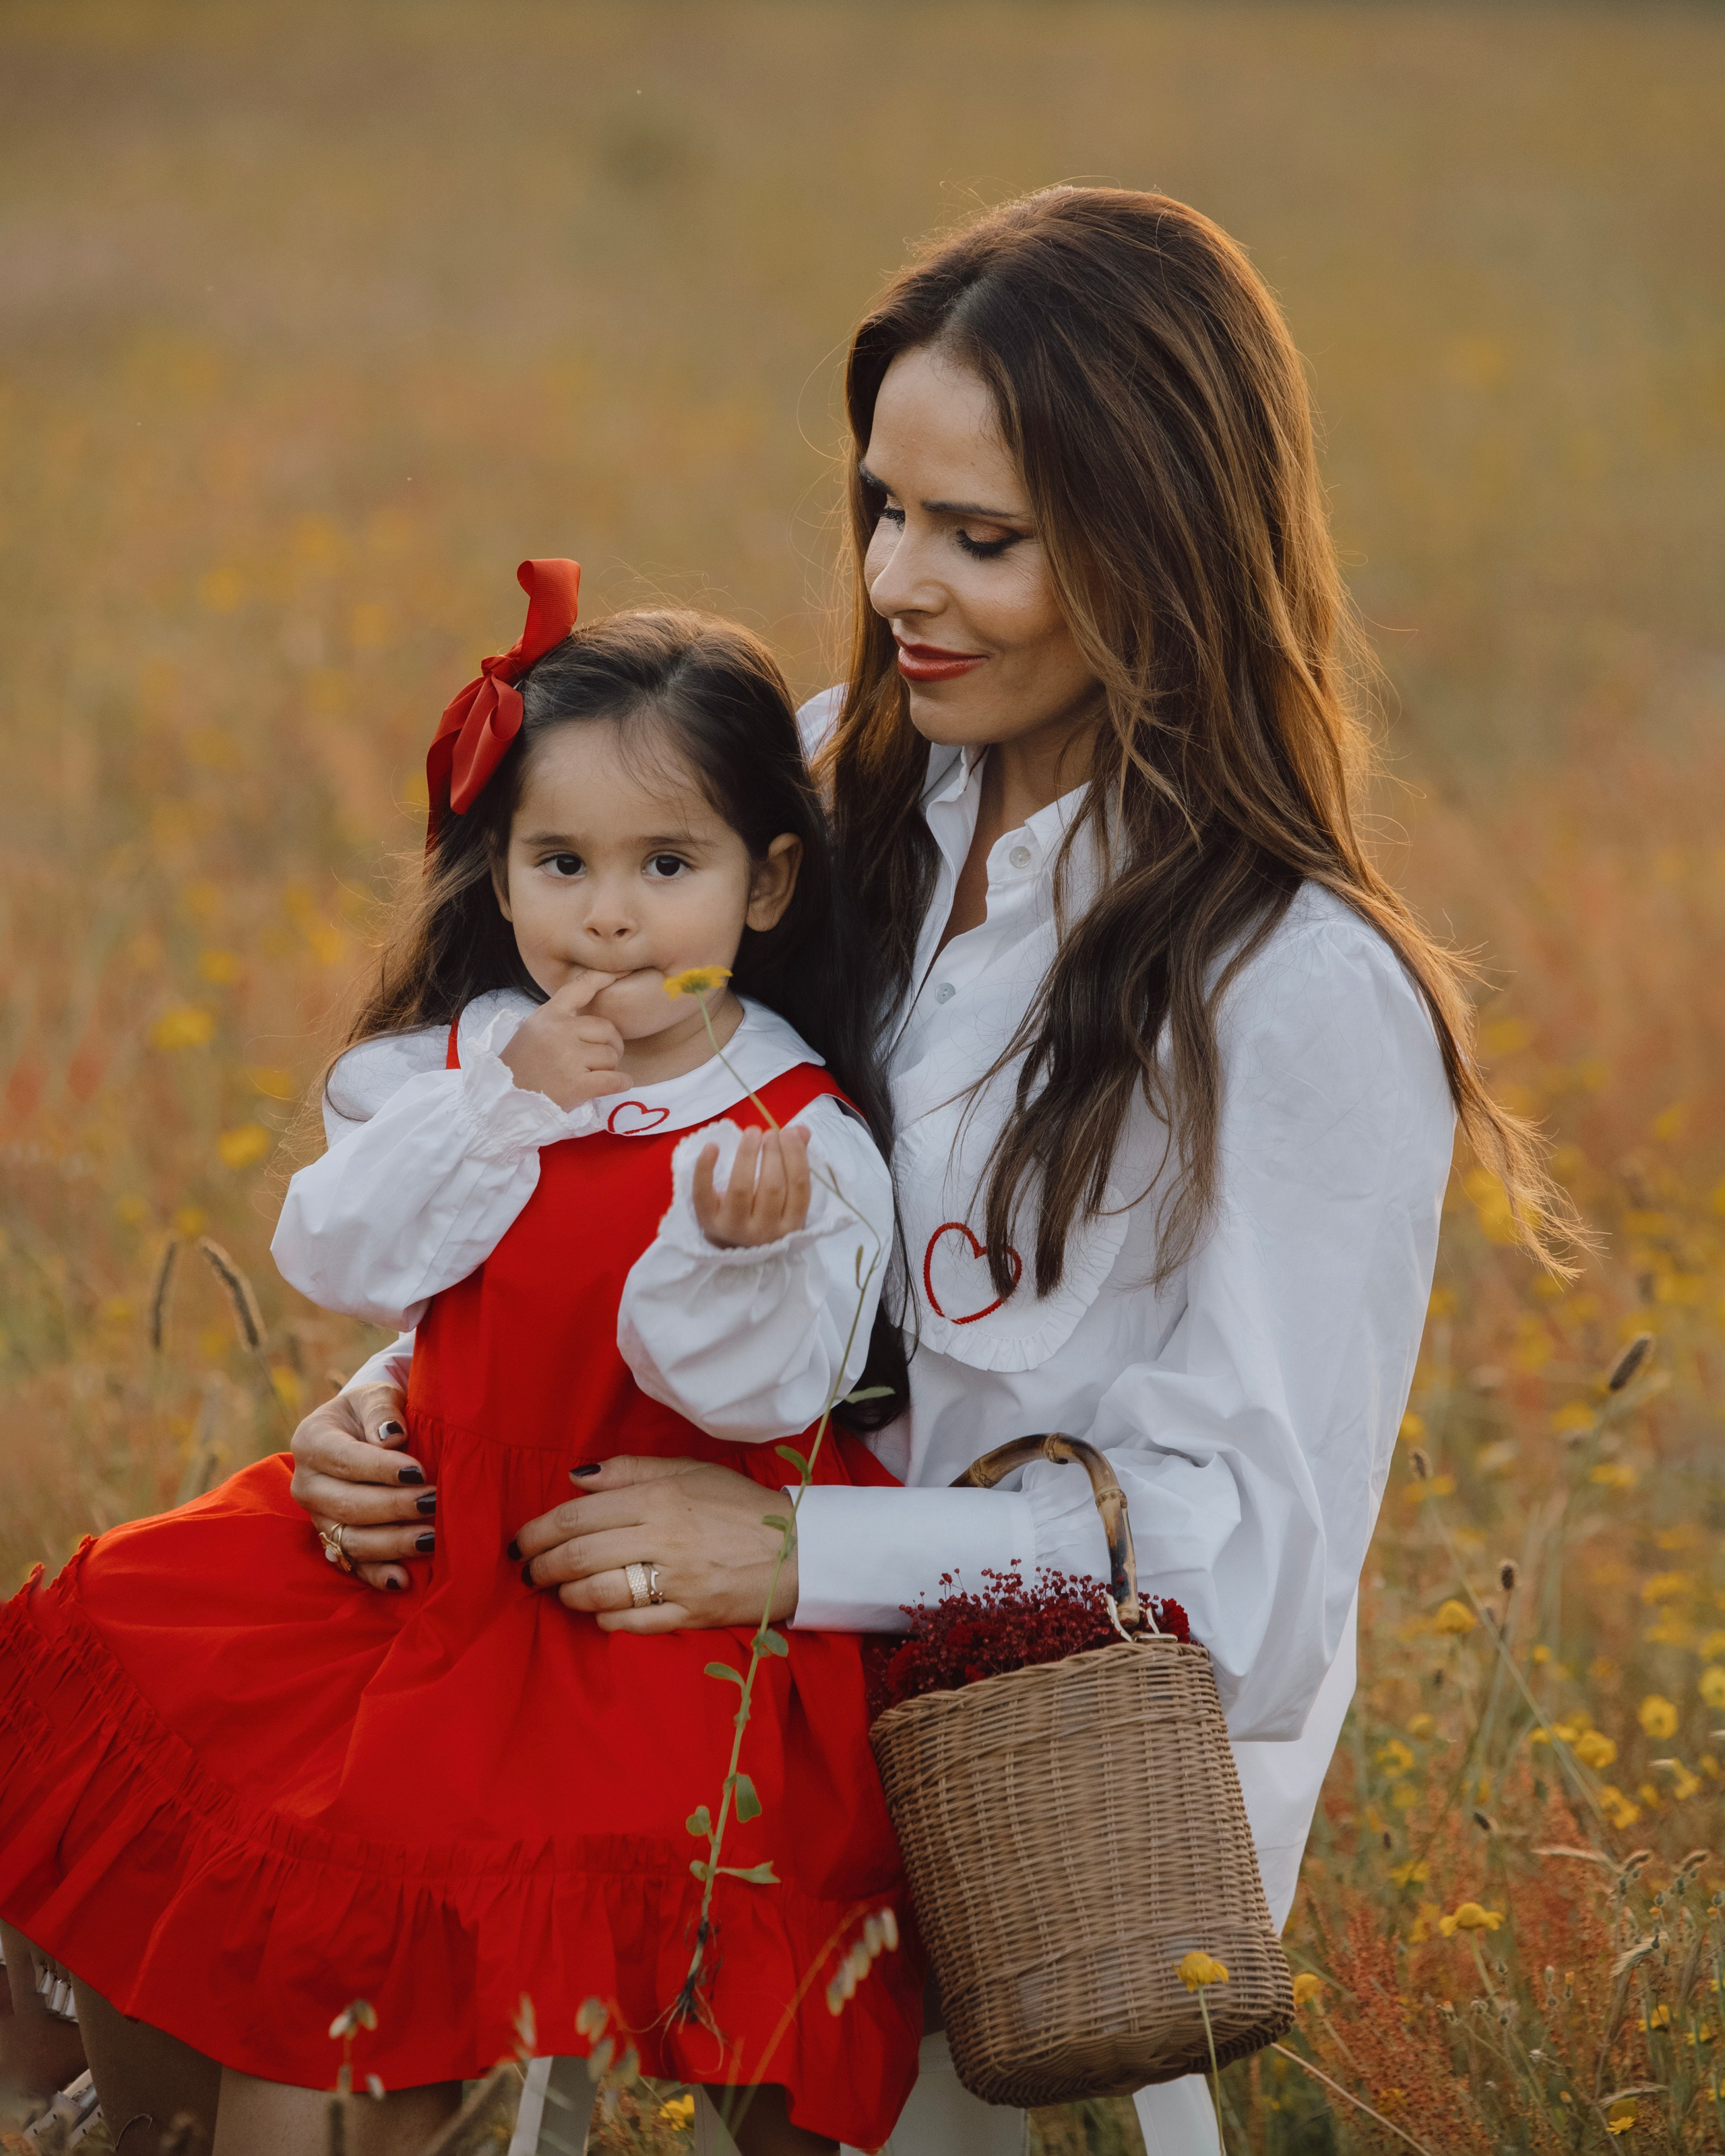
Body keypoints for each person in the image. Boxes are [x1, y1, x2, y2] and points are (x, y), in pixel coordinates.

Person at [295, 187, 1565, 2156]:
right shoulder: (822, 796)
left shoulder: (1297, 990)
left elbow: (1242, 1570)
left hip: (1019, 1761)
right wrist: (393, 1400)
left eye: (984, 540)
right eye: (884, 505)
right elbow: (597, 1147)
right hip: (674, 1630)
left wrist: (805, 1563)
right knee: (239, 1903)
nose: (903, 581)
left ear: (1163, 545)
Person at [0, 581, 923, 2156]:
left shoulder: (795, 1137)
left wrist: (730, 1245)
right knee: (105, 1654)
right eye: (560, 863)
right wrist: (501, 1103)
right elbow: (341, 1256)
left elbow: (748, 1394)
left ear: (764, 886)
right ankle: (102, 2107)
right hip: (425, 1542)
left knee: (355, 1909)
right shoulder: (457, 1061)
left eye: (666, 867)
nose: (609, 917)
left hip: (633, 1600)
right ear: (497, 873)